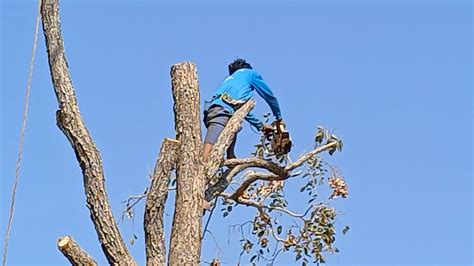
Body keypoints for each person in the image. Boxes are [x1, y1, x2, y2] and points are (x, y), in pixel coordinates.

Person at [202, 59, 284, 162]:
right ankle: (200, 173)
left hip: (216, 111)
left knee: (230, 153)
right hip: (222, 113)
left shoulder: (230, 80)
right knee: (208, 150)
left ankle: (230, 160)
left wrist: (260, 126)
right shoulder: (250, 73)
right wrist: (278, 118)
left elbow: (242, 111)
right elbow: (269, 96)